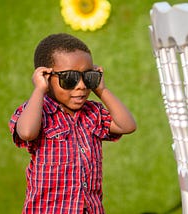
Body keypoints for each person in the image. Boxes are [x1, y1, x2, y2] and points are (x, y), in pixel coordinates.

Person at [9, 33, 136, 214]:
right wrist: (39, 89)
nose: (81, 85)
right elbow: (27, 132)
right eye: (69, 78)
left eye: (88, 77)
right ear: (45, 77)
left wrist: (102, 89)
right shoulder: (38, 111)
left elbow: (127, 126)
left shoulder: (93, 113)